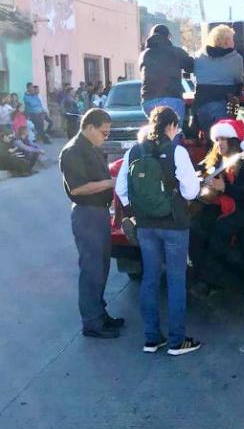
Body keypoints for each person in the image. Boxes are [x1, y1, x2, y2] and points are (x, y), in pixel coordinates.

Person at [115, 106, 202, 355]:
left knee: (150, 279)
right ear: (172, 126)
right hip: (174, 224)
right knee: (176, 280)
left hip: (145, 225)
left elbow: (122, 189)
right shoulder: (177, 151)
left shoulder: (133, 151)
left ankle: (152, 338)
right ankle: (177, 340)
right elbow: (190, 192)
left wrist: (135, 210)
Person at [59, 108, 123, 339]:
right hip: (87, 214)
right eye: (103, 133)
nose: (105, 137)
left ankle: (100, 313)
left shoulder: (92, 148)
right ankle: (92, 323)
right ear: (89, 127)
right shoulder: (73, 151)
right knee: (91, 269)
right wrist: (110, 183)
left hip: (100, 213)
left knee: (102, 266)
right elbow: (77, 188)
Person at [189, 119, 244, 297]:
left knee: (218, 235)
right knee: (195, 228)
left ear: (233, 140)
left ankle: (227, 279)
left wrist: (225, 188)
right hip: (223, 206)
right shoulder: (217, 159)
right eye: (217, 140)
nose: (219, 143)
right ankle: (202, 277)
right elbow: (202, 167)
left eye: (224, 139)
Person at [194, 24, 243, 134]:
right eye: (232, 40)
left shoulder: (198, 57)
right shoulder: (236, 58)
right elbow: (238, 80)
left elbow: (197, 77)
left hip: (201, 106)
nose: (233, 43)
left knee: (210, 141)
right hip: (224, 105)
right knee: (224, 142)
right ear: (226, 41)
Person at [139, 24, 193, 124]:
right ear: (168, 36)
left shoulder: (143, 54)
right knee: (173, 133)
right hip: (171, 98)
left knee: (156, 131)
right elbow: (191, 66)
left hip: (148, 100)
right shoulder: (175, 52)